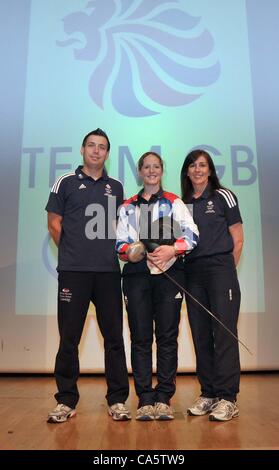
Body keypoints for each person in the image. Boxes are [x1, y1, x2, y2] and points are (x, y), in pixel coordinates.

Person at [45, 128, 130, 423]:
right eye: (91, 146)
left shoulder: (117, 186)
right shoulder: (65, 182)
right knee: (69, 338)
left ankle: (117, 400)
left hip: (108, 273)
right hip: (74, 273)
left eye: (102, 147)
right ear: (82, 150)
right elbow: (54, 223)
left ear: (107, 153)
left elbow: (122, 229)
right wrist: (73, 253)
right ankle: (66, 400)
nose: (96, 151)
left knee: (114, 338)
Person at [116, 151, 199, 421]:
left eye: (156, 167)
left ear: (162, 170)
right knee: (140, 338)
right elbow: (120, 245)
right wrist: (136, 250)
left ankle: (163, 398)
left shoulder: (175, 202)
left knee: (166, 338)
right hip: (137, 276)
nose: (151, 171)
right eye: (146, 167)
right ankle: (144, 399)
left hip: (169, 277)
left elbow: (193, 235)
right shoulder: (127, 206)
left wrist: (171, 250)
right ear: (140, 172)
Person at [180, 149, 244, 422]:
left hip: (221, 271)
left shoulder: (223, 196)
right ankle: (209, 393)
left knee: (225, 333)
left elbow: (238, 239)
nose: (197, 170)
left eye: (202, 165)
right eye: (193, 165)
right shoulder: (181, 203)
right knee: (201, 334)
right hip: (192, 273)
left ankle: (228, 398)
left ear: (210, 169)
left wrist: (228, 272)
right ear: (186, 171)